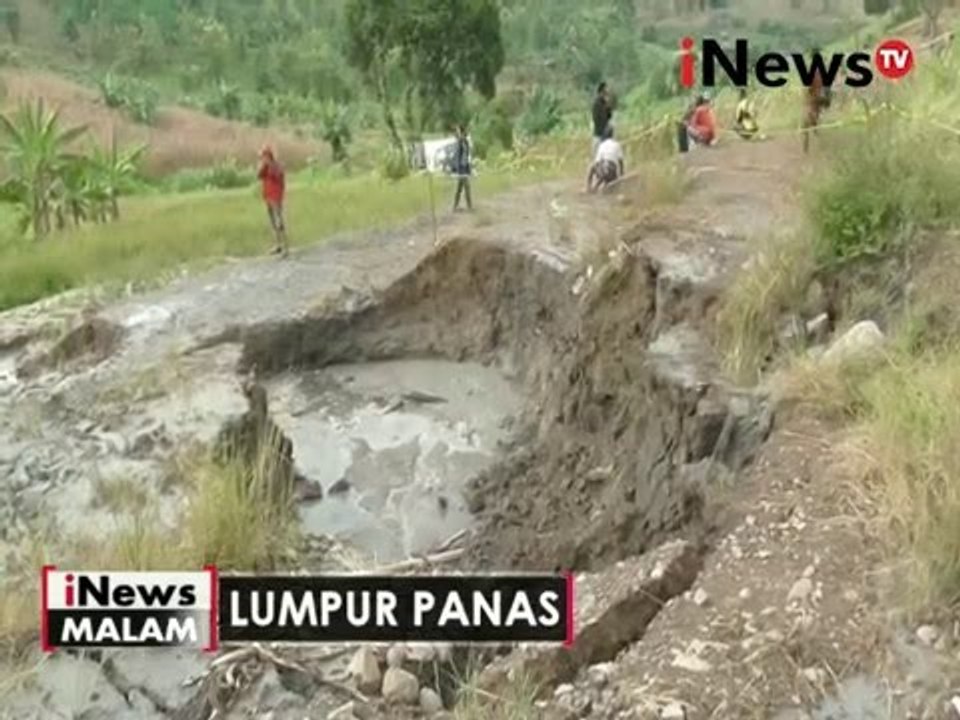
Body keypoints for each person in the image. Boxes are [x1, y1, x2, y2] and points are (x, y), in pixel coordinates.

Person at [257, 147, 287, 256]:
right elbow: (259, 176)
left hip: (276, 195)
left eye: (263, 157)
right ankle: (277, 245)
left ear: (268, 156)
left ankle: (285, 247)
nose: (262, 159)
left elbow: (279, 176)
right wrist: (262, 166)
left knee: (279, 221)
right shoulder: (264, 167)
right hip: (268, 195)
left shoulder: (276, 166)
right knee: (272, 221)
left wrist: (270, 165)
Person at [803, 48, 831, 154]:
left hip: (815, 97)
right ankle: (818, 142)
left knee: (808, 122)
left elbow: (810, 86)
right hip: (821, 96)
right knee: (813, 121)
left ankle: (809, 147)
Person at [586, 128, 625, 193]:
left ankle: (588, 187)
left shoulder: (602, 145)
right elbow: (621, 162)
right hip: (612, 173)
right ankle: (601, 185)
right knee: (608, 183)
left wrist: (597, 176)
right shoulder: (617, 144)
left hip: (604, 171)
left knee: (591, 166)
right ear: (612, 135)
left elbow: (597, 162)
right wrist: (621, 175)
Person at [452, 124, 473, 212]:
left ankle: (456, 206)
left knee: (460, 188)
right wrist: (456, 168)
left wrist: (469, 168)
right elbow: (457, 156)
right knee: (465, 187)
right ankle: (468, 206)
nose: (457, 133)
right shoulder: (460, 142)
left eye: (458, 131)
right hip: (461, 168)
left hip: (464, 167)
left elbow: (467, 155)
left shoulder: (465, 141)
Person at [592, 82, 613, 158]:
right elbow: (596, 119)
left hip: (606, 135)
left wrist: (608, 106)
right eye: (605, 92)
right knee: (597, 158)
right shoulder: (596, 104)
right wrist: (604, 130)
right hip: (599, 134)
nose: (606, 94)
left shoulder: (605, 103)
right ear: (601, 92)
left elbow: (609, 116)